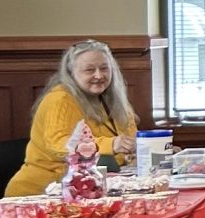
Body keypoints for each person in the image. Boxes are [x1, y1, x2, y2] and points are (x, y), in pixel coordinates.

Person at [8, 39, 138, 194]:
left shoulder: (114, 99)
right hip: (43, 191)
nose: (99, 75)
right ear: (71, 73)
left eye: (104, 68)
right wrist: (110, 145)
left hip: (92, 186)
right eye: (89, 70)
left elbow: (130, 141)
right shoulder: (60, 99)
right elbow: (58, 144)